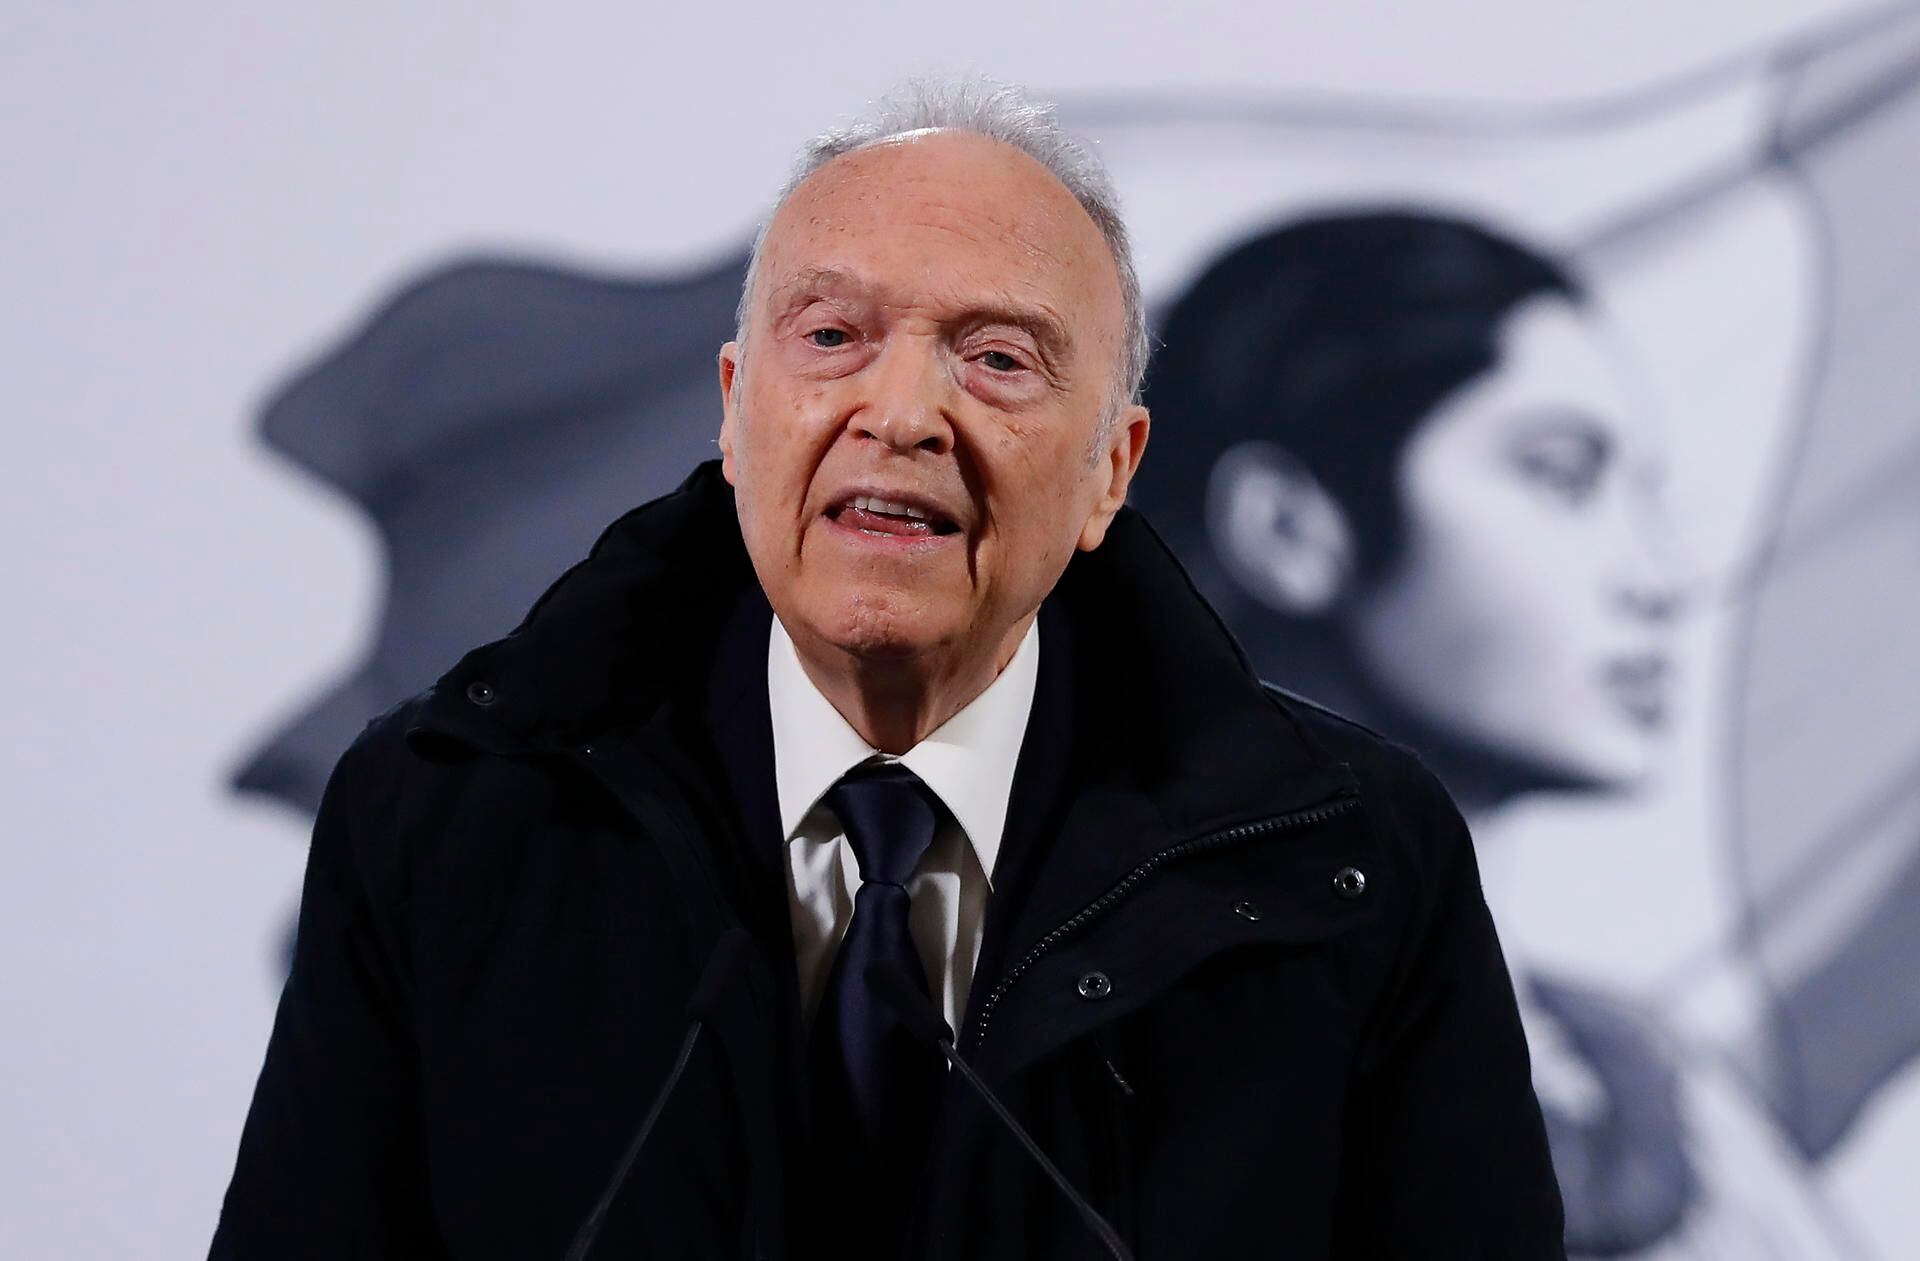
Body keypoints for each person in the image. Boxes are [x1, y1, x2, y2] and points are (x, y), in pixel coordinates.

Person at [210, 84, 1564, 1260]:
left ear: (1113, 470)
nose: (903, 412)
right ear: (735, 413)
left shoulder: (1355, 854)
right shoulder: (443, 817)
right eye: (832, 338)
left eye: (997, 357)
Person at [1132, 211, 1851, 1257]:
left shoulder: (1641, 1083)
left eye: (1643, 494)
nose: (1659, 577)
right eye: (1562, 476)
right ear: (1287, 526)